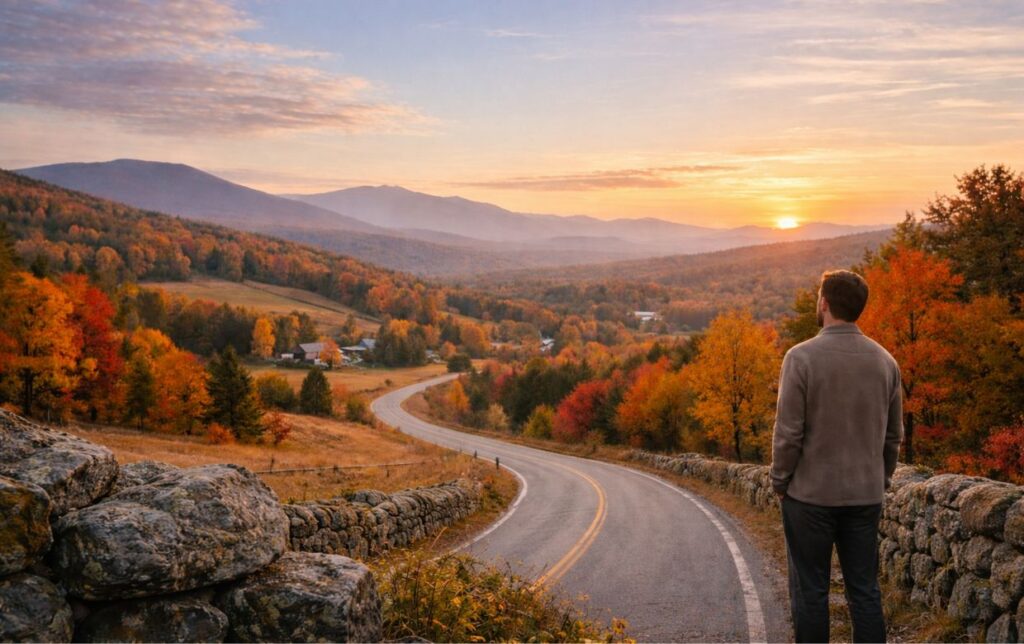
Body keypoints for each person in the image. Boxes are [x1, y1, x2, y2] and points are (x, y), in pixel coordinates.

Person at [771, 269, 903, 643]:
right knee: (865, 590)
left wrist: (781, 480)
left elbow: (788, 433)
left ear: (825, 303)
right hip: (865, 496)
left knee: (811, 591)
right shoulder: (885, 361)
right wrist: (881, 479)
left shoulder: (801, 358)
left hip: (809, 497)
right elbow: (894, 436)